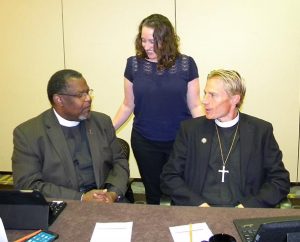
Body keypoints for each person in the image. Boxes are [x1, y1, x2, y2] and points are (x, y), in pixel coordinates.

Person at [161, 69, 290, 208]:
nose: (204, 101)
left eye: (213, 95)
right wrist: (198, 204)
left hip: (244, 214)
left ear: (235, 99)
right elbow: (169, 177)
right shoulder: (191, 130)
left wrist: (248, 206)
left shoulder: (260, 131)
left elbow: (279, 181)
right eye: (205, 93)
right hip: (199, 211)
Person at [113, 14, 202, 204]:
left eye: (153, 41)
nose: (146, 46)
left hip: (180, 142)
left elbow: (195, 105)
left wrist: (207, 134)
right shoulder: (133, 64)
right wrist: (107, 130)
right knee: (152, 194)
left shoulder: (187, 64)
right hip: (145, 141)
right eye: (143, 40)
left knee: (179, 194)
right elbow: (128, 104)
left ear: (167, 40)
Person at [12, 69, 129, 203]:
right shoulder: (28, 134)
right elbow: (27, 184)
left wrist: (113, 193)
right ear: (59, 99)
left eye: (88, 92)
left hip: (107, 200)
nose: (88, 99)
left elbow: (119, 162)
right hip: (62, 203)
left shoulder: (102, 122)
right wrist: (81, 198)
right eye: (81, 95)